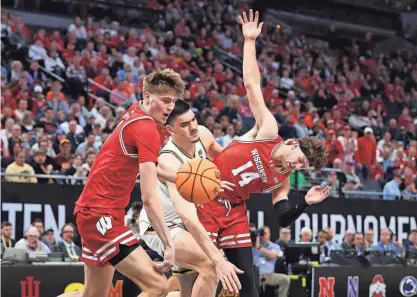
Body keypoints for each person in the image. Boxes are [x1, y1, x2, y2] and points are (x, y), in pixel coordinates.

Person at [196, 10, 330, 297]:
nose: (297, 167)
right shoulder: (268, 130)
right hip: (206, 195)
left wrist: (304, 202)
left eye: (303, 168)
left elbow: (282, 217)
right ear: (294, 144)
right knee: (197, 274)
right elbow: (252, 85)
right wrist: (249, 42)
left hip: (234, 212)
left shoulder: (281, 178)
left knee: (249, 287)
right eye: (300, 161)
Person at [58, 69, 185, 297]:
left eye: (174, 102)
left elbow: (153, 166)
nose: (170, 108)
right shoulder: (147, 129)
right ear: (147, 97)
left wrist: (183, 177)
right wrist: (169, 243)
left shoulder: (136, 110)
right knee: (158, 286)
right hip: (100, 215)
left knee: (93, 294)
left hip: (98, 212)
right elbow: (148, 197)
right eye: (165, 100)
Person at [139, 100, 243, 296]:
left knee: (184, 290)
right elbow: (188, 217)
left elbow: (226, 161)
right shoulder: (169, 161)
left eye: (193, 119)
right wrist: (219, 259)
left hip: (184, 227)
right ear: (170, 130)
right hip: (162, 227)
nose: (193, 127)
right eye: (185, 125)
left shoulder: (203, 134)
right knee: (212, 265)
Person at [253, 226, 290, 297]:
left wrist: (259, 247)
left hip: (269, 275)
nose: (263, 235)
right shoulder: (252, 247)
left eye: (265, 233)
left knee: (285, 279)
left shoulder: (274, 246)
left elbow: (272, 255)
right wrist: (255, 242)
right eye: (262, 234)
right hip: (255, 275)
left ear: (269, 234)